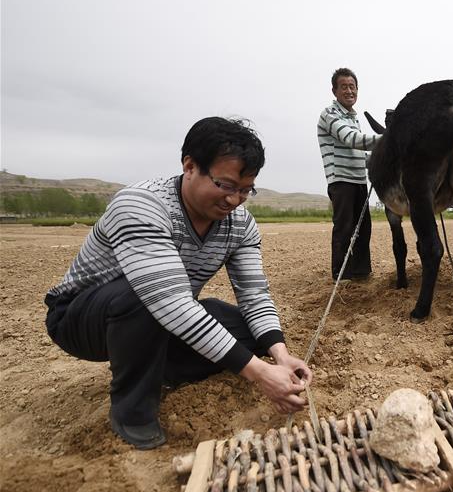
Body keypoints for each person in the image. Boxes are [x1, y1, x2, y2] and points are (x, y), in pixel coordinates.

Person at [44, 117, 311, 449]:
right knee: (143, 296)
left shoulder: (241, 225)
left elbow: (254, 294)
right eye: (226, 185)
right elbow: (168, 301)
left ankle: (164, 364)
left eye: (245, 190)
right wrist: (259, 373)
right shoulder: (141, 206)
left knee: (250, 334)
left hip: (164, 316)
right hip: (84, 319)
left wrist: (280, 355)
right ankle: (133, 411)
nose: (234, 200)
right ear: (190, 166)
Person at [317, 67, 379, 281]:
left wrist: (382, 158)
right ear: (334, 91)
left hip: (359, 179)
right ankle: (341, 274)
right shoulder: (330, 114)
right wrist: (389, 140)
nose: (349, 91)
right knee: (344, 228)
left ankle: (361, 272)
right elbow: (351, 139)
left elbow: (359, 154)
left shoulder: (354, 119)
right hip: (341, 179)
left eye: (352, 87)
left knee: (364, 228)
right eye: (343, 87)